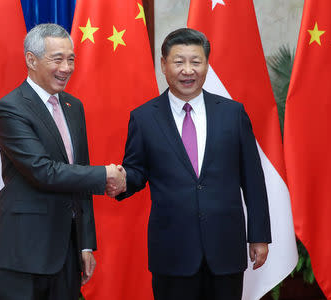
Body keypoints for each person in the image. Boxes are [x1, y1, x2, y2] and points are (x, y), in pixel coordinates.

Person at [110, 28, 271, 300]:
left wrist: (259, 235)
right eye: (179, 61)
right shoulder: (144, 118)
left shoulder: (233, 113)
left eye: (195, 62)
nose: (188, 70)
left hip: (225, 248)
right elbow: (137, 171)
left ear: (206, 64)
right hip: (172, 251)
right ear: (163, 64)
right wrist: (120, 180)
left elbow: (253, 179)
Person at [0, 23, 125, 300]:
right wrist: (106, 174)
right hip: (24, 251)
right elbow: (43, 171)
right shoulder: (10, 108)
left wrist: (86, 244)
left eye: (71, 58)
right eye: (58, 59)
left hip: (67, 250)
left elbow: (79, 173)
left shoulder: (73, 107)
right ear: (31, 59)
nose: (67, 67)